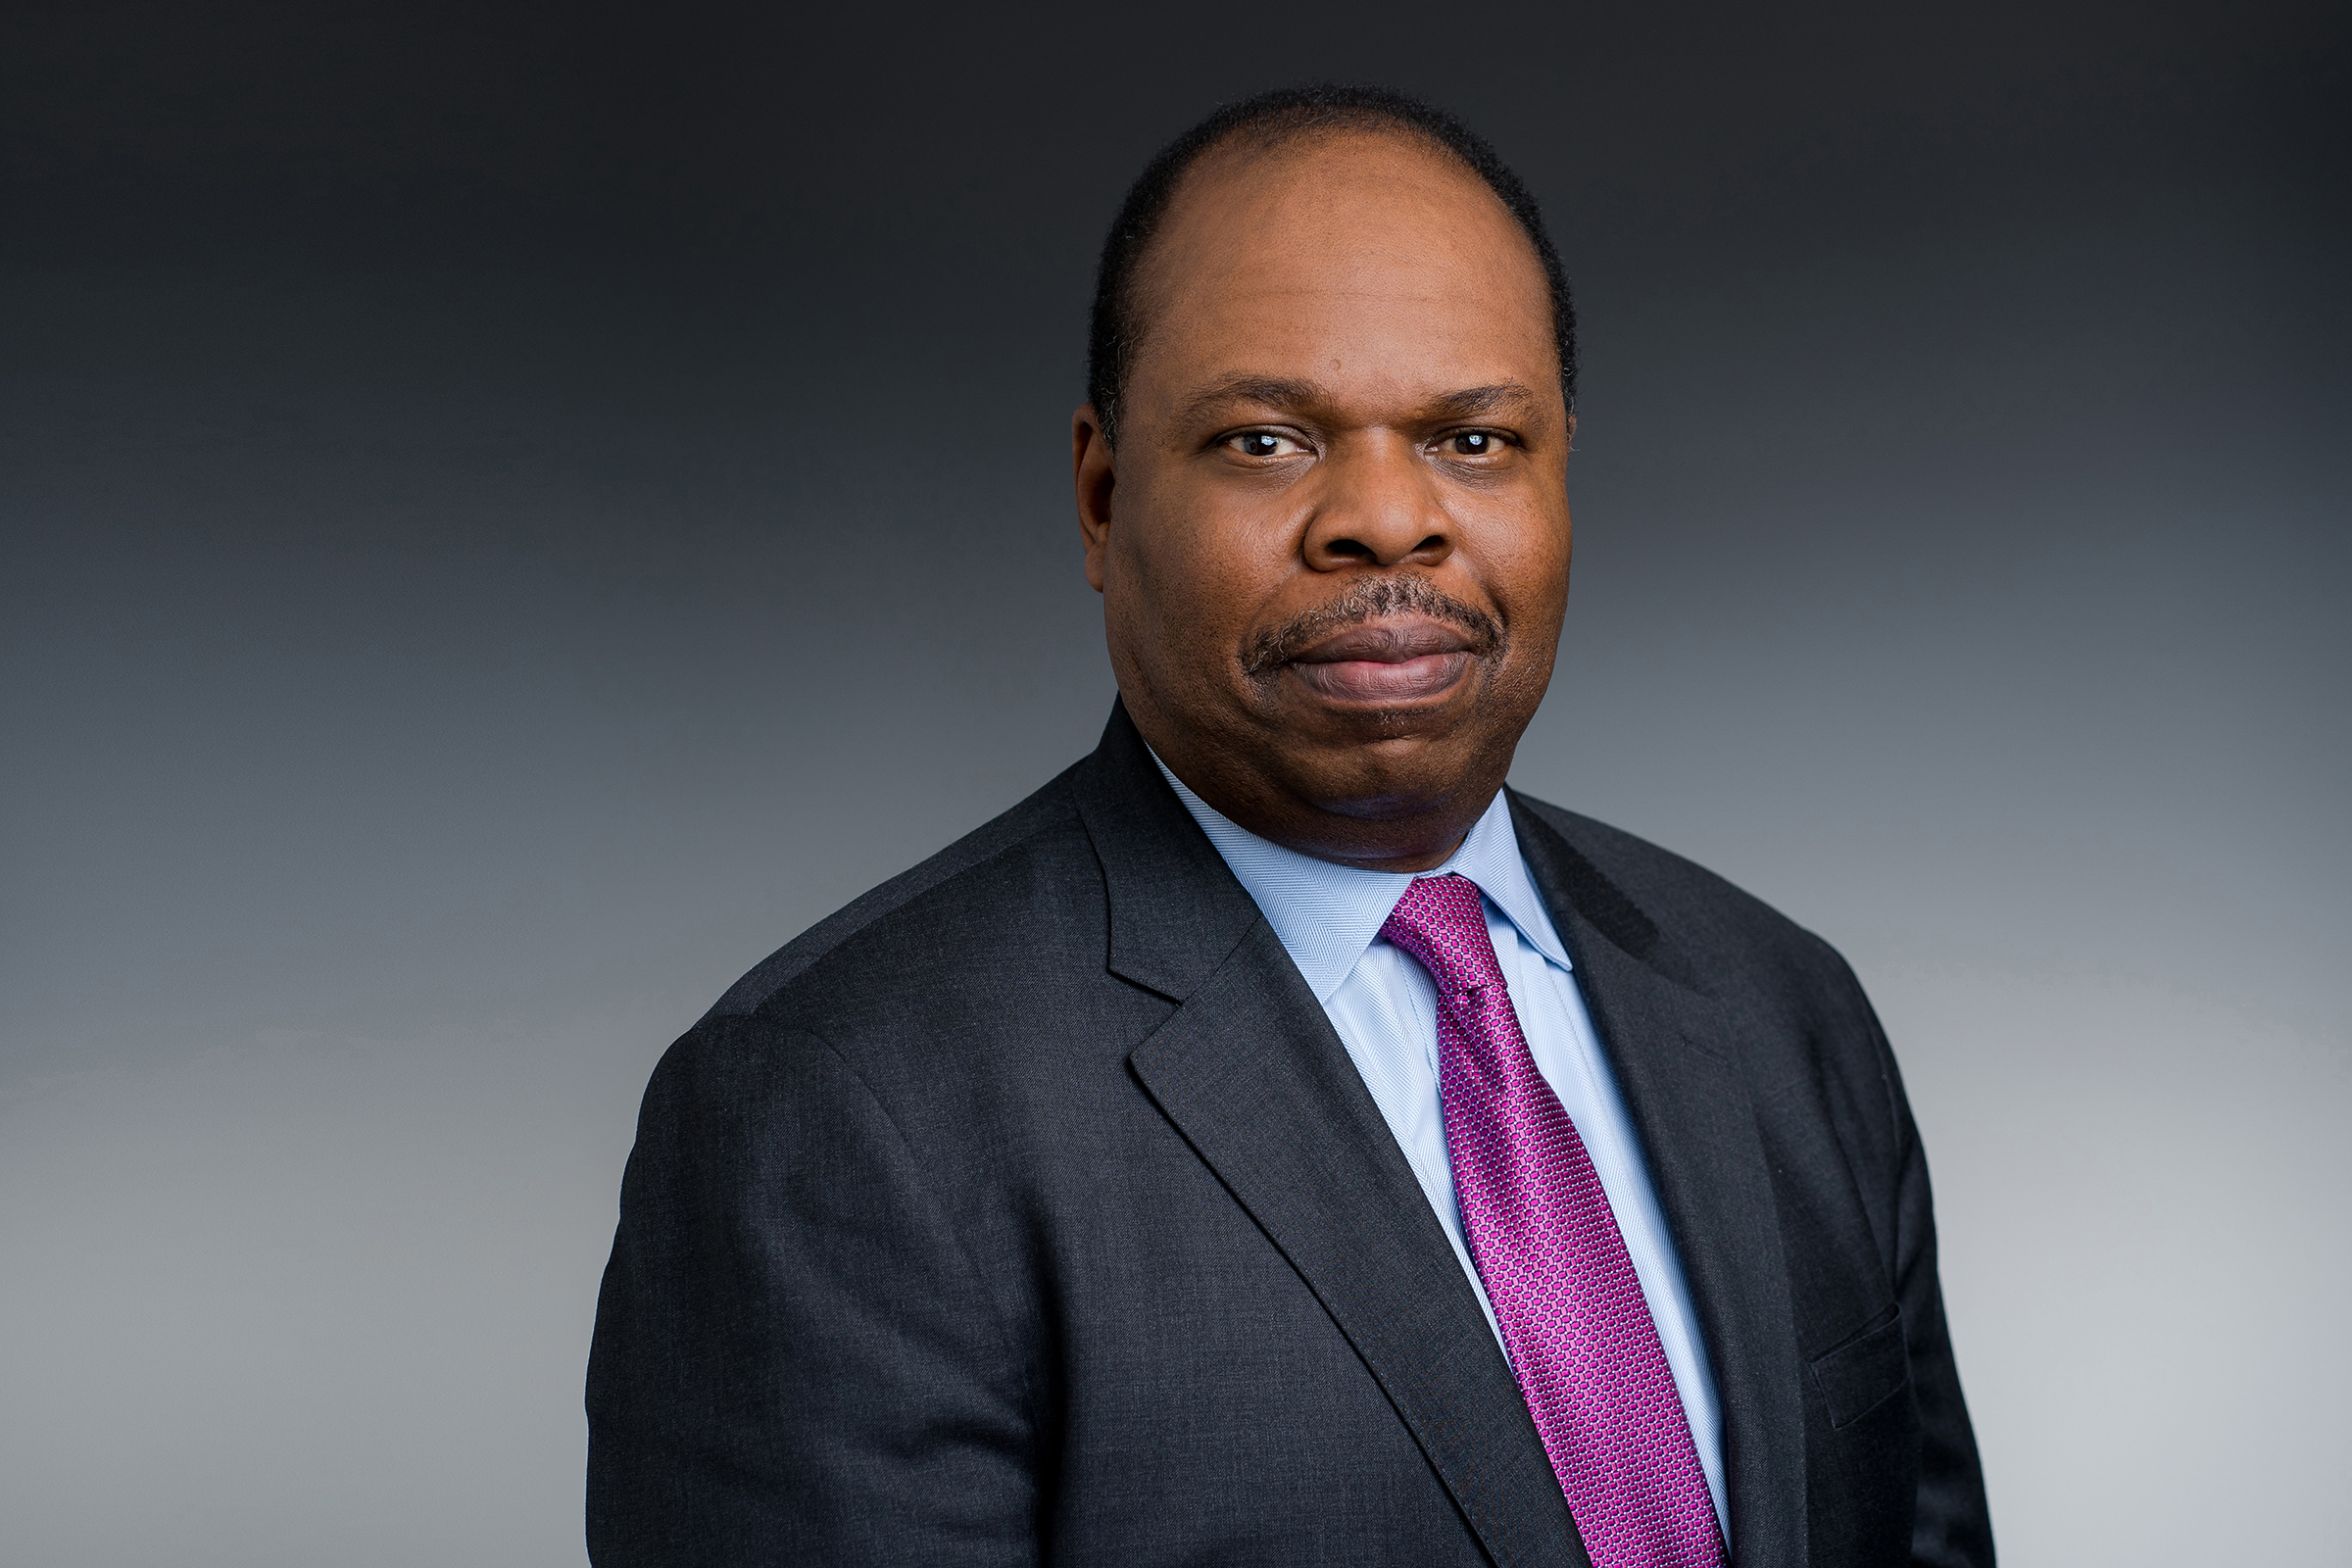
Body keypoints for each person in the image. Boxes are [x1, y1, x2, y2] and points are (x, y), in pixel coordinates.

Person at [585, 84, 1993, 1568]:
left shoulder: (1782, 1010)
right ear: (1102, 497)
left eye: (1474, 439)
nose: (1386, 518)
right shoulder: (838, 1116)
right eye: (1266, 440)